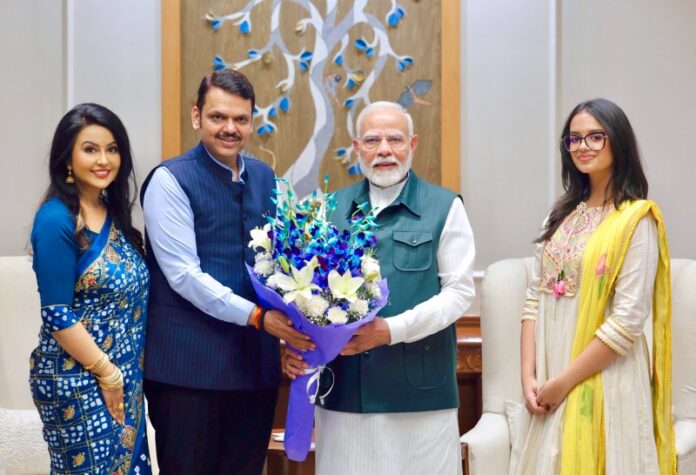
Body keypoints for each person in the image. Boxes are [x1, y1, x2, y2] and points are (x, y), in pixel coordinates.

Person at [285, 101, 476, 474]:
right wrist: (295, 348)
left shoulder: (445, 206)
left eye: (395, 139)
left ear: (412, 144)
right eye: (372, 140)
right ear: (357, 149)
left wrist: (390, 331)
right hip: (345, 394)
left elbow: (459, 295)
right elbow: (302, 295)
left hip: (421, 398)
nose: (384, 149)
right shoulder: (329, 209)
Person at [141, 69, 313, 474]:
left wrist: (298, 334)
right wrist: (258, 317)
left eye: (241, 119)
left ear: (252, 121)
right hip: (188, 373)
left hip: (254, 371)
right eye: (219, 117)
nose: (230, 128)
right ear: (196, 116)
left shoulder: (267, 179)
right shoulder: (170, 180)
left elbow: (283, 264)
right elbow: (183, 275)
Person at [511, 98, 675, 474]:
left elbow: (627, 323)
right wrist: (529, 379)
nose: (583, 147)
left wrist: (564, 382)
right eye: (574, 139)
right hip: (549, 376)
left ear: (618, 142)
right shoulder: (559, 217)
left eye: (595, 137)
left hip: (603, 379)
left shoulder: (637, 220)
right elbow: (534, 298)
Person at [29, 103, 150, 474]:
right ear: (68, 157)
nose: (104, 160)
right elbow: (56, 314)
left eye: (112, 149)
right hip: (77, 380)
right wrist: (107, 374)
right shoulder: (55, 219)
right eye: (90, 149)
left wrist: (119, 377)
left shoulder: (113, 215)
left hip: (123, 377)